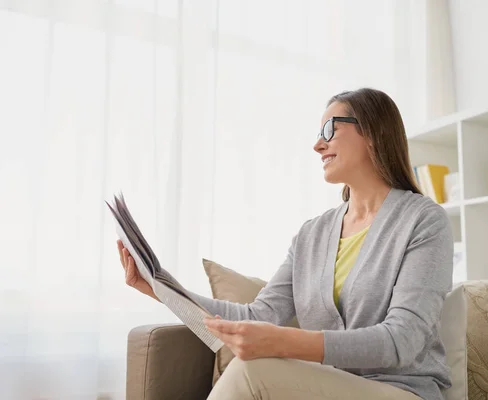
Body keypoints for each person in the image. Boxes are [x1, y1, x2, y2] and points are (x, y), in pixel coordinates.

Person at [117, 88, 453, 400]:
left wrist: (284, 343)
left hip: (403, 392)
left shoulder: (423, 220)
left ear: (373, 132)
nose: (317, 146)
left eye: (329, 130)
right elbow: (257, 315)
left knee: (253, 369)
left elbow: (403, 339)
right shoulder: (312, 234)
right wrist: (160, 289)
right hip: (326, 389)